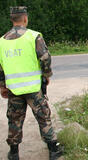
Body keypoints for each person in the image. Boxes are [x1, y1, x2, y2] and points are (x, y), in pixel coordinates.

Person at [0, 6, 62, 160]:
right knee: (43, 117)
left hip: (13, 90)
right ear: (25, 18)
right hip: (34, 89)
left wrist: (2, 85)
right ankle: (53, 150)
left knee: (14, 120)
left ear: (11, 19)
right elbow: (45, 57)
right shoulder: (34, 37)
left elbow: (0, 67)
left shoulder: (2, 41)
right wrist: (47, 75)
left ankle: (14, 153)